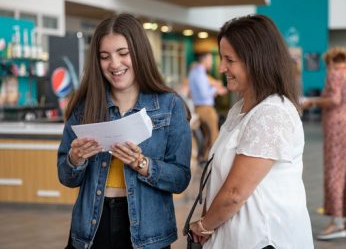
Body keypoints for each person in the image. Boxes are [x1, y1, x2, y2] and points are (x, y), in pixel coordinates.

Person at [58, 13, 192, 249]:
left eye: (123, 53)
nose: (115, 64)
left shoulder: (170, 105)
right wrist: (74, 159)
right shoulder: (84, 106)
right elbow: (66, 177)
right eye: (104, 56)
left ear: (139, 53)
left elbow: (180, 179)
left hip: (148, 233)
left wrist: (142, 164)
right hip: (91, 228)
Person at [189, 14, 314, 248]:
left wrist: (204, 225)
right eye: (221, 58)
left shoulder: (272, 113)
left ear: (255, 60)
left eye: (229, 60)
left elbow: (235, 192)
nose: (222, 67)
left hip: (265, 240)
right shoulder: (241, 108)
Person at [303, 47, 346, 240]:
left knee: (334, 173)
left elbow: (334, 99)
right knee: (342, 173)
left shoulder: (334, 74)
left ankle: (336, 222)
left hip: (336, 128)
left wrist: (313, 102)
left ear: (330, 61)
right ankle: (341, 219)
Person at [188, 52, 227, 163]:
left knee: (207, 135)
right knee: (214, 135)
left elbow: (191, 93)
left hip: (199, 107)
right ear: (204, 60)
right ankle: (211, 161)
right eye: (210, 59)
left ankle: (205, 157)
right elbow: (204, 94)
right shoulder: (199, 74)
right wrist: (216, 90)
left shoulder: (194, 72)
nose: (211, 62)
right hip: (205, 108)